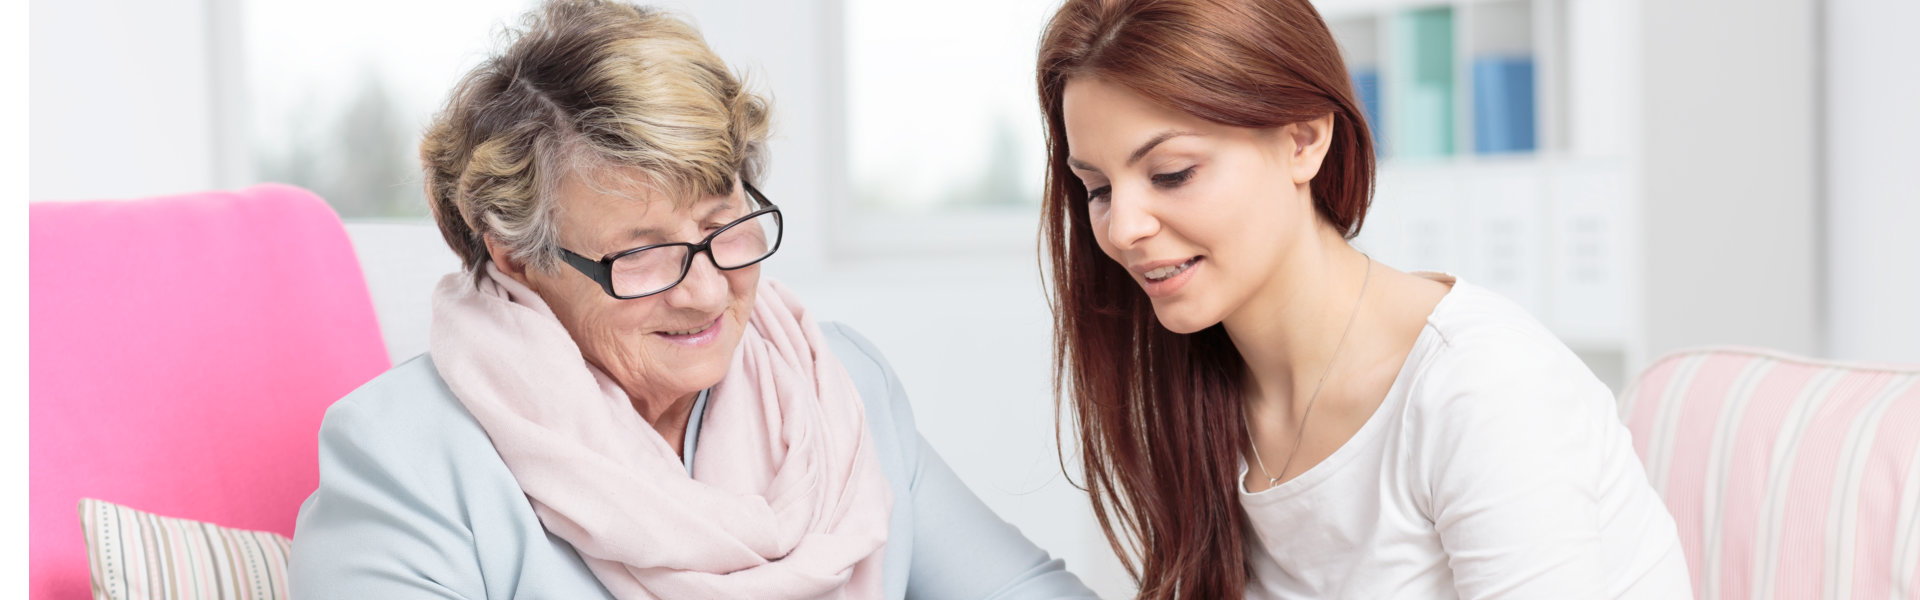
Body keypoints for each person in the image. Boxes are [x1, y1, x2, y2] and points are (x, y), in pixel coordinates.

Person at [290, 2, 1095, 598]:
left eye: (724, 226)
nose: (708, 290)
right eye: (645, 256)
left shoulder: (836, 384)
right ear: (518, 257)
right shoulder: (404, 455)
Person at [1033, 0, 1691, 597]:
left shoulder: (1481, 387)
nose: (1123, 229)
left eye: (1171, 174)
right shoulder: (1202, 390)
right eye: (1097, 189)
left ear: (1303, 139)